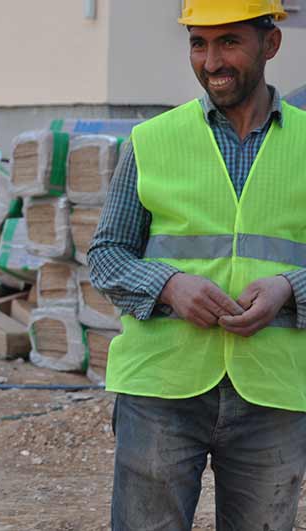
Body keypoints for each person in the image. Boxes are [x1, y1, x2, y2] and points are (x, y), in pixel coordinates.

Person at [88, 1, 306, 529]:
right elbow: (107, 254)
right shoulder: (152, 140)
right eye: (198, 43)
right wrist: (169, 284)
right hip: (162, 386)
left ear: (270, 44)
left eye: (229, 41)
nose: (211, 61)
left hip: (274, 391)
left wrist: (289, 288)